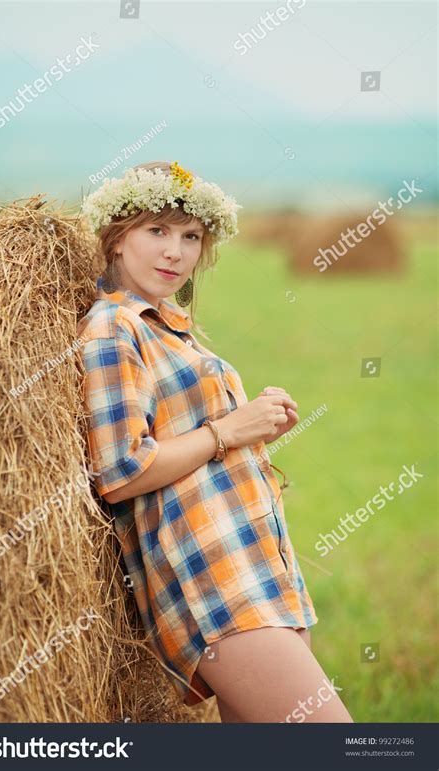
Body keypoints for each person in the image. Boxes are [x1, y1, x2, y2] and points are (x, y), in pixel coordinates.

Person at [77, 160, 353, 723]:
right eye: (156, 231)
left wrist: (255, 425)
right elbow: (119, 471)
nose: (175, 252)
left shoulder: (166, 324)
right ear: (116, 236)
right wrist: (228, 429)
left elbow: (204, 443)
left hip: (256, 563)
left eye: (191, 236)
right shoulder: (113, 327)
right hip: (211, 578)